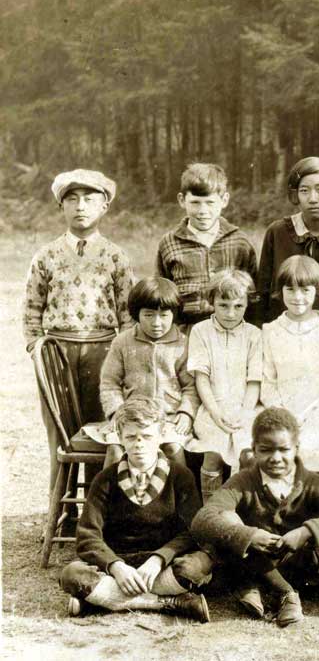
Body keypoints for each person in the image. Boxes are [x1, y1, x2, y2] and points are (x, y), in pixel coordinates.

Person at [191, 407, 319, 627]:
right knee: (228, 517)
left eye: (284, 450)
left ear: (296, 449)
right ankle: (285, 593)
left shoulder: (311, 482)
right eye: (266, 450)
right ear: (254, 450)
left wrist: (305, 532)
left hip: (297, 561)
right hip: (256, 558)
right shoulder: (244, 481)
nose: (276, 458)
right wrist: (249, 535)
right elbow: (201, 520)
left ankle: (259, 589)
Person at [24, 169, 134, 489]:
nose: (80, 206)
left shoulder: (116, 256)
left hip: (103, 352)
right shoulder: (46, 256)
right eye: (71, 199)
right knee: (61, 437)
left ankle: (95, 515)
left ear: (104, 207)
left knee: (100, 434)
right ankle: (61, 514)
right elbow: (31, 310)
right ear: (61, 207)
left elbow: (127, 314)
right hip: (58, 353)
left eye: (89, 199)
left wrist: (123, 358)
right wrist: (38, 351)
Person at [60, 397, 213, 622]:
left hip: (163, 566)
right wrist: (116, 566)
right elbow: (87, 535)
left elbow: (193, 531)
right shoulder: (106, 479)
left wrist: (158, 559)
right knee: (71, 575)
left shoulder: (180, 476)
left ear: (161, 436)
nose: (139, 444)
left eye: (147, 436)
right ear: (120, 438)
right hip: (120, 562)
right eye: (131, 437)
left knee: (198, 566)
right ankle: (168, 602)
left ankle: (105, 599)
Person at [97, 277, 196, 469]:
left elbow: (191, 386)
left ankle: (179, 497)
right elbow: (109, 383)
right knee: (116, 451)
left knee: (174, 449)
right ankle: (110, 497)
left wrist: (186, 413)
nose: (156, 323)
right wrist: (117, 412)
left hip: (169, 419)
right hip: (129, 419)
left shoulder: (183, 344)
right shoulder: (123, 342)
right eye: (149, 315)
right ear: (136, 314)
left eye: (164, 315)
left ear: (174, 314)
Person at [261, 255, 319, 473]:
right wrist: (285, 416)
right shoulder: (270, 331)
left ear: (317, 291)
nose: (297, 297)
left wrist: (314, 416)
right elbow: (267, 381)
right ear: (280, 291)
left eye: (305, 290)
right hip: (280, 414)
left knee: (311, 451)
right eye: (290, 289)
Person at [186, 270, 262, 500]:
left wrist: (244, 413)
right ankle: (210, 511)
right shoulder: (201, 331)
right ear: (212, 302)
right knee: (214, 452)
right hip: (213, 409)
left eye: (238, 306)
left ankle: (243, 507)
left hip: (244, 408)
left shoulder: (254, 334)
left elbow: (254, 380)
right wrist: (217, 414)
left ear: (248, 303)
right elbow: (202, 378)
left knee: (247, 454)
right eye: (223, 305)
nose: (230, 313)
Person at [155, 163, 258, 328]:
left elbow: (253, 294)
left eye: (210, 203)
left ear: (224, 200)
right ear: (182, 200)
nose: (203, 210)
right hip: (186, 330)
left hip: (231, 328)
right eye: (195, 202)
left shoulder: (240, 242)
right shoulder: (169, 243)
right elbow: (161, 293)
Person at [257, 156, 319, 323]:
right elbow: (262, 291)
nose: (312, 198)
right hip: (280, 330)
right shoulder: (278, 232)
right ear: (296, 195)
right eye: (304, 190)